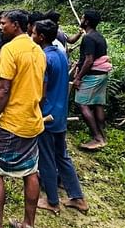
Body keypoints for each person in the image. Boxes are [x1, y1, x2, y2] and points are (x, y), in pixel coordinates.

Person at [0, 10, 46, 228]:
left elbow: (3, 89)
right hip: (32, 121)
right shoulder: (37, 50)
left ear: (16, 25)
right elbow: (42, 86)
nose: (0, 26)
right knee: (31, 171)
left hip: (11, 123)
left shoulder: (10, 50)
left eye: (3, 23)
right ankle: (28, 226)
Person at [32, 20, 88, 215]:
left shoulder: (43, 58)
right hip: (61, 113)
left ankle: (52, 200)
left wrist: (34, 113)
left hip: (47, 115)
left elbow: (42, 92)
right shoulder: (62, 55)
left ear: (41, 37)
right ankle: (77, 198)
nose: (31, 35)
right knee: (62, 155)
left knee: (46, 158)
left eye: (33, 33)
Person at [71, 9, 110, 150]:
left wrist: (78, 78)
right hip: (102, 74)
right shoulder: (99, 36)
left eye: (82, 18)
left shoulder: (88, 38)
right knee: (98, 103)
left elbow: (89, 60)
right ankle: (102, 136)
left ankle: (97, 138)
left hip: (92, 75)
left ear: (86, 21)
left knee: (82, 104)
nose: (80, 20)